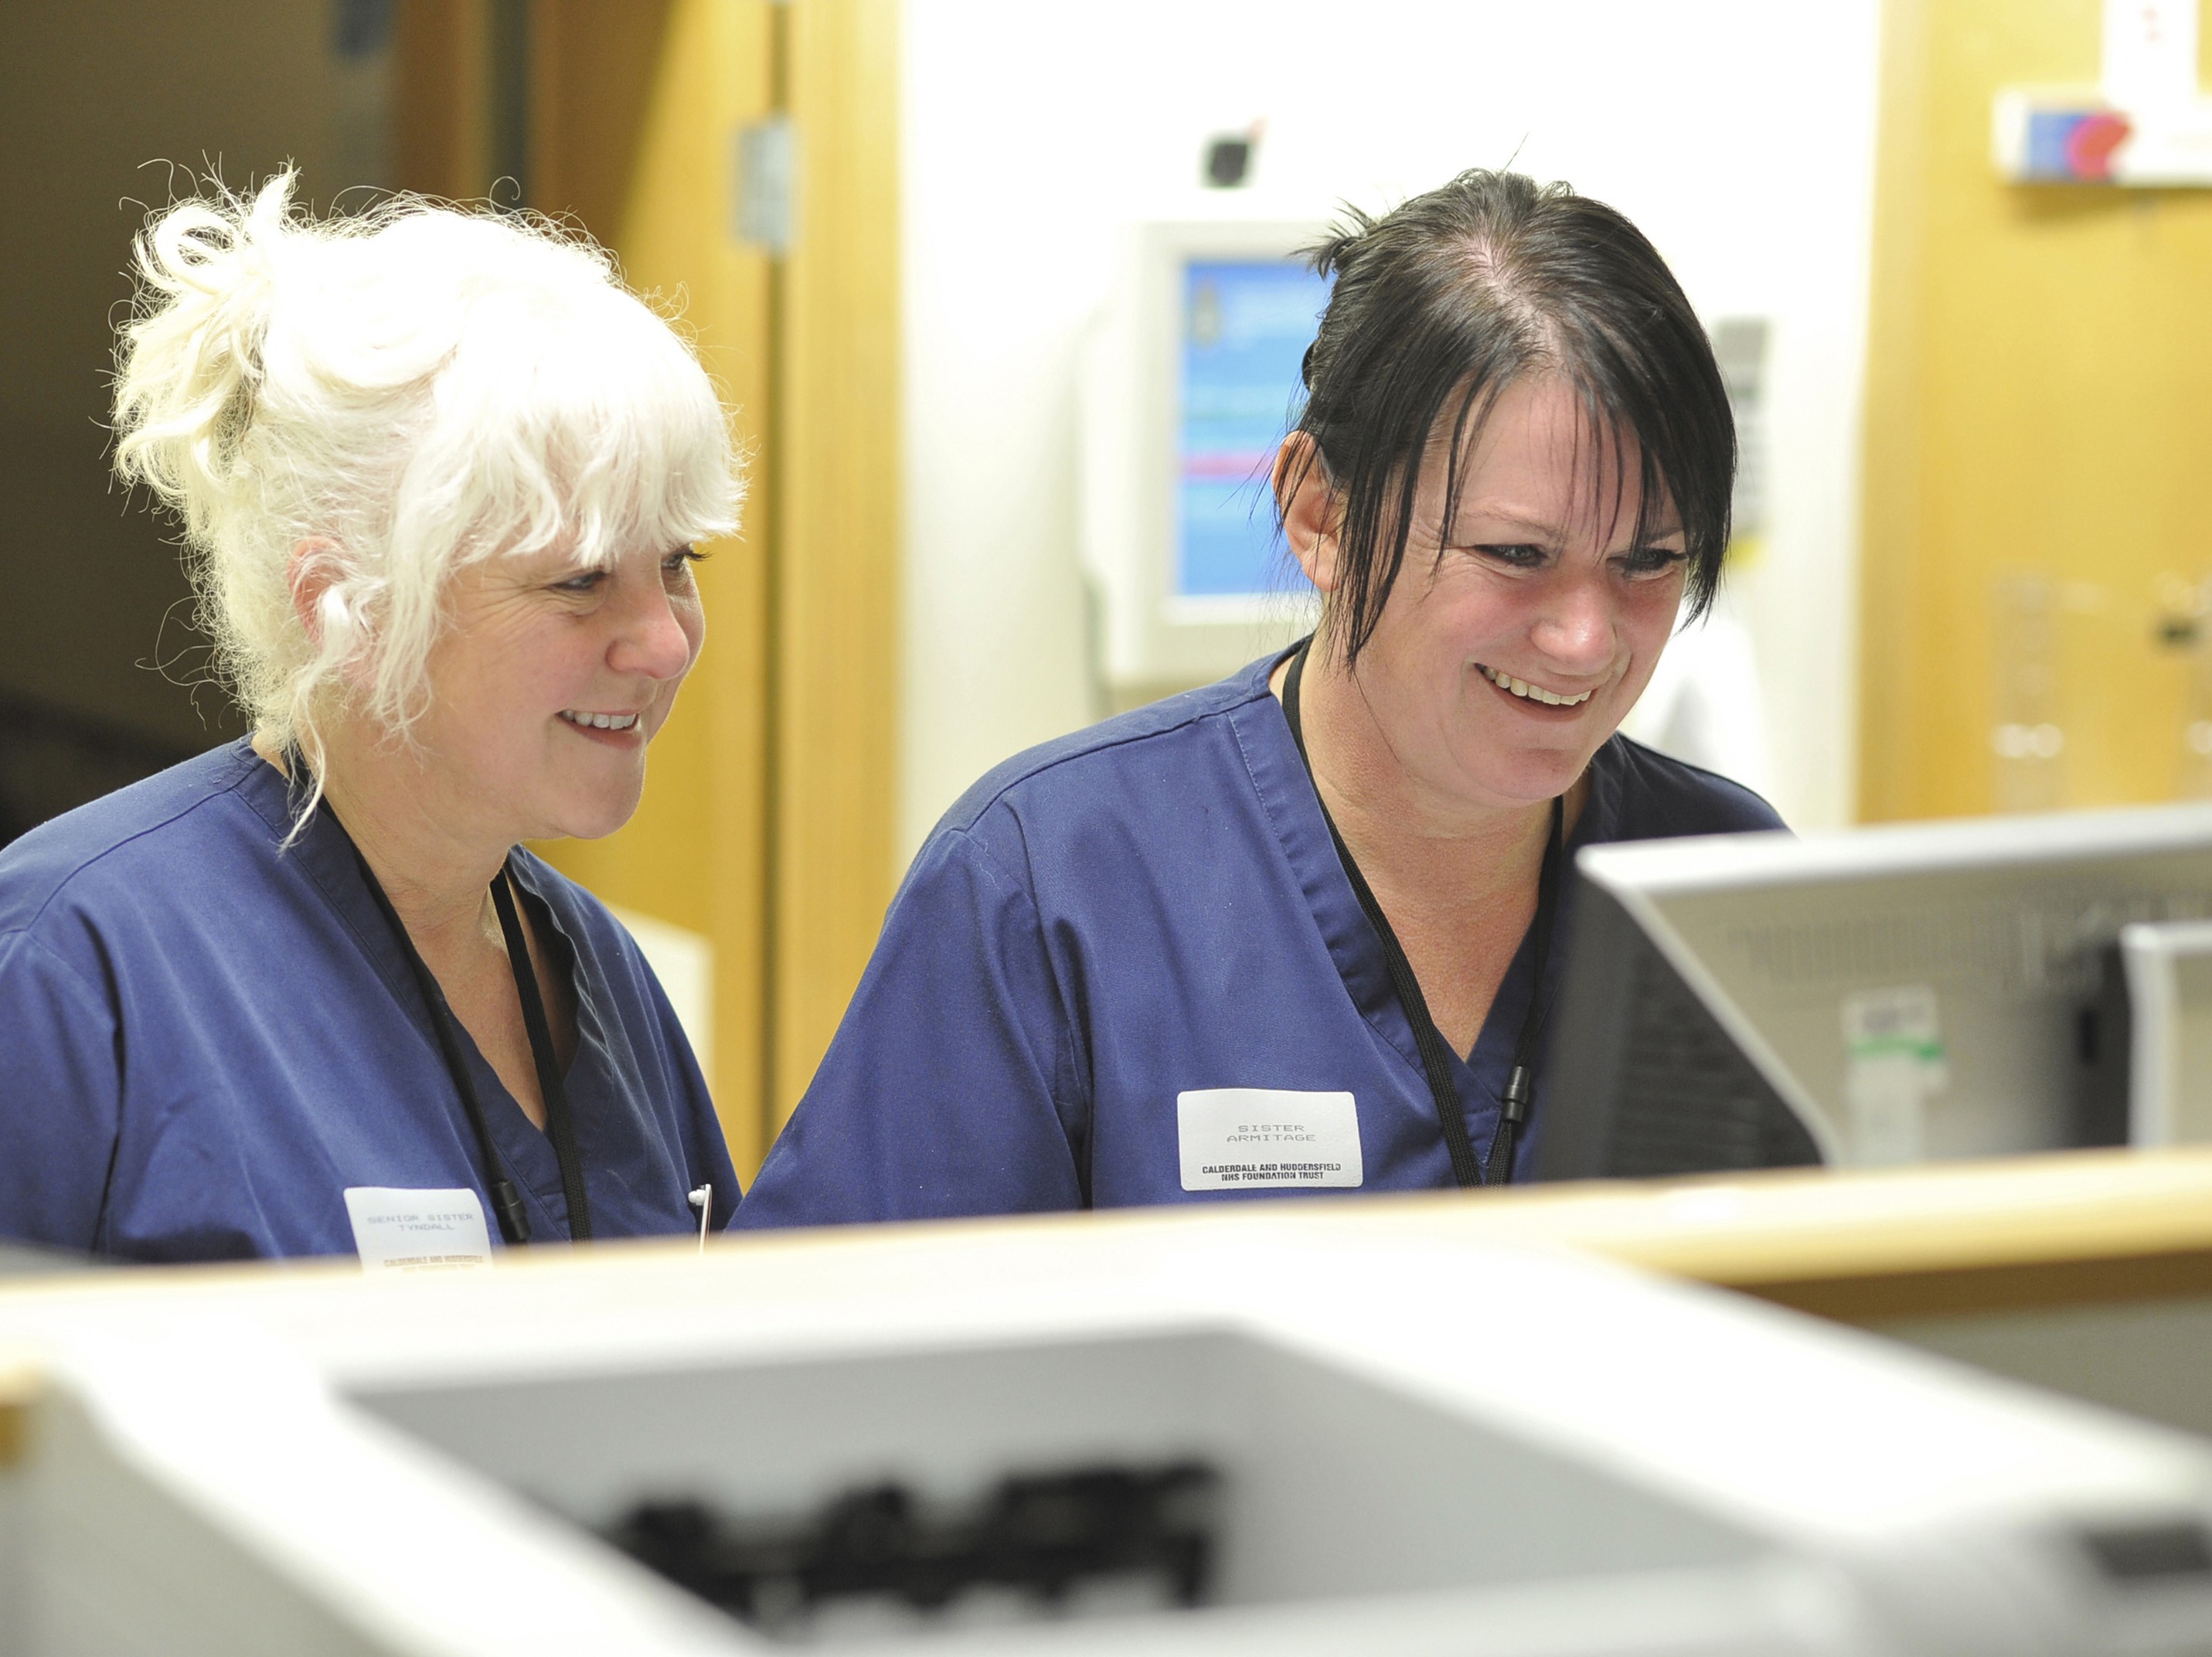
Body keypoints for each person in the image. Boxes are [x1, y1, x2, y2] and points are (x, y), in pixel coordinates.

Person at [736, 170, 1783, 1227]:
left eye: (1647, 562)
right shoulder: (1051, 886)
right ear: (1320, 513)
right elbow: (833, 1348)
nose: (1586, 638)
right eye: (1516, 555)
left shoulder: (1723, 886)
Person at [0, 174, 744, 1263]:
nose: (666, 641)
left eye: (677, 565)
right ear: (347, 607)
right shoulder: (63, 975)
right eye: (578, 582)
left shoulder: (594, 977)